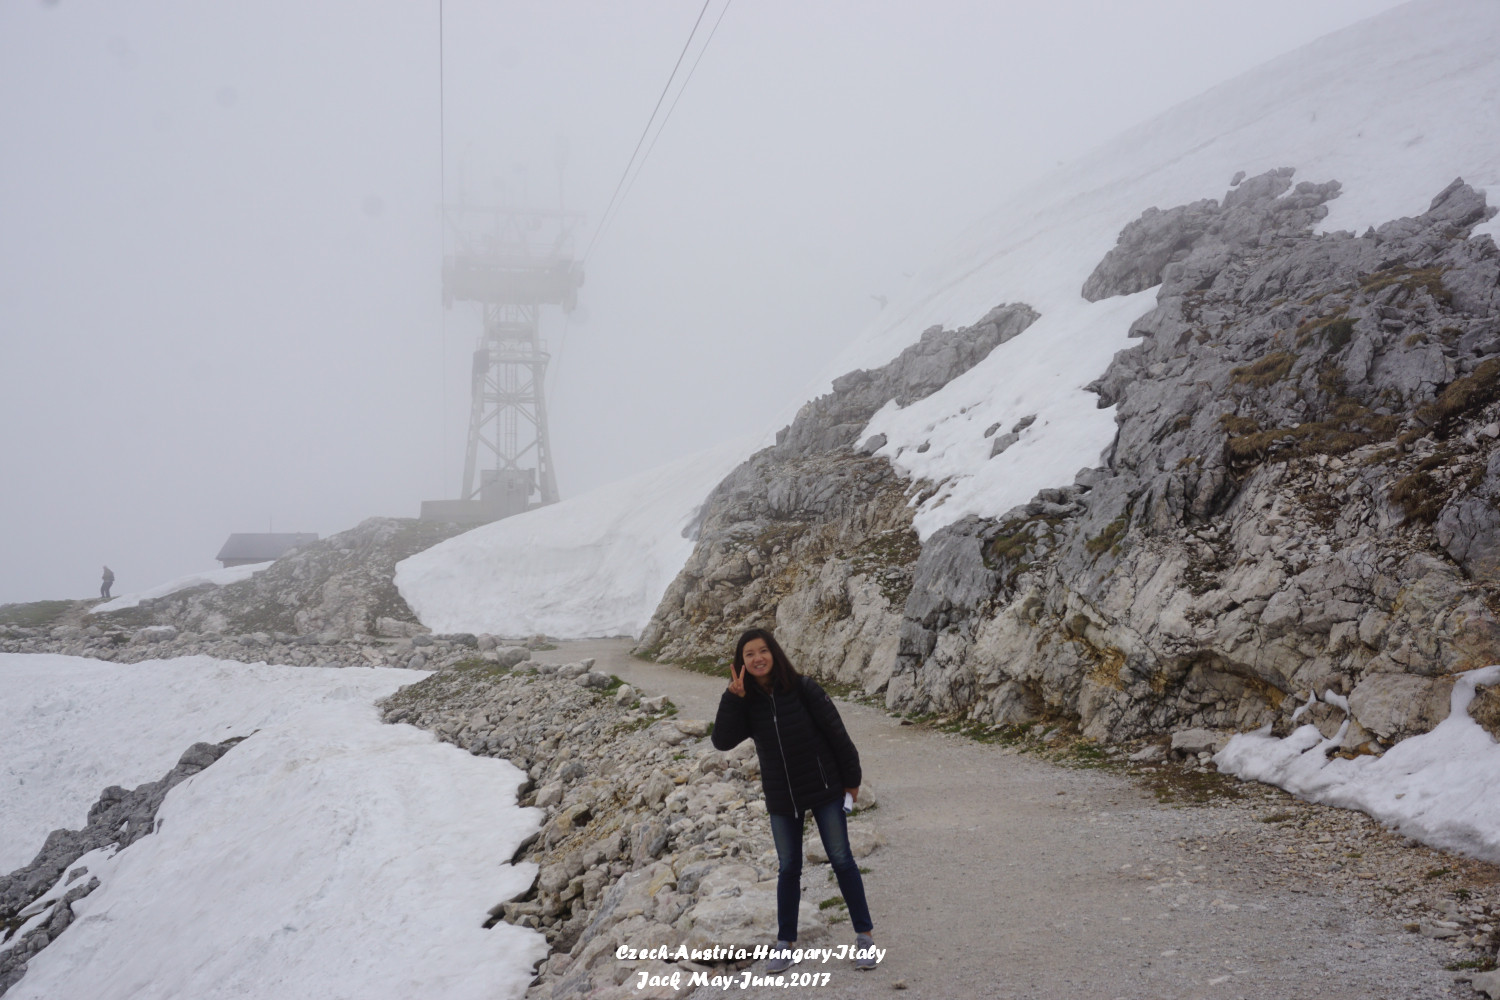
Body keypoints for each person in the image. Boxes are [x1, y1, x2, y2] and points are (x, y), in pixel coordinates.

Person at [711, 627, 878, 973]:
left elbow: (837, 733)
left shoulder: (803, 688)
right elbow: (722, 741)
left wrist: (852, 781)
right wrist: (732, 698)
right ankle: (785, 943)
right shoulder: (746, 702)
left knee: (842, 859)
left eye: (762, 651)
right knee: (789, 867)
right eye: (749, 655)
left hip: (824, 788)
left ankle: (864, 937)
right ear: (740, 663)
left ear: (774, 652)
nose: (757, 659)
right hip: (782, 796)